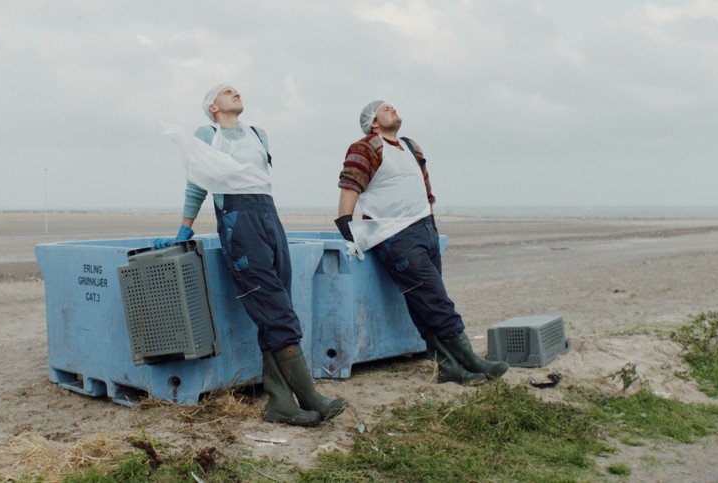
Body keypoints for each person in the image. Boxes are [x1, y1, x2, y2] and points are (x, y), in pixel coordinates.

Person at [156, 85, 346, 426]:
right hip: (237, 220)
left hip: (269, 215)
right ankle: (310, 397)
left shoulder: (259, 134)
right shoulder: (207, 134)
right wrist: (184, 229)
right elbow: (197, 183)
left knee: (279, 306)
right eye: (224, 91)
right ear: (212, 107)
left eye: (235, 88)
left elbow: (258, 180)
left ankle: (280, 402)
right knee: (275, 308)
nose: (234, 91)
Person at [334, 100, 508, 386]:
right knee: (437, 300)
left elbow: (425, 190)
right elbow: (350, 184)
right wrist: (345, 223)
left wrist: (432, 226)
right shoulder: (365, 147)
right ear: (373, 123)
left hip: (425, 230)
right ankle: (471, 360)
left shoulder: (411, 146)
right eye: (385, 108)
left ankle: (448, 367)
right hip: (396, 235)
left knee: (424, 304)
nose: (392, 108)